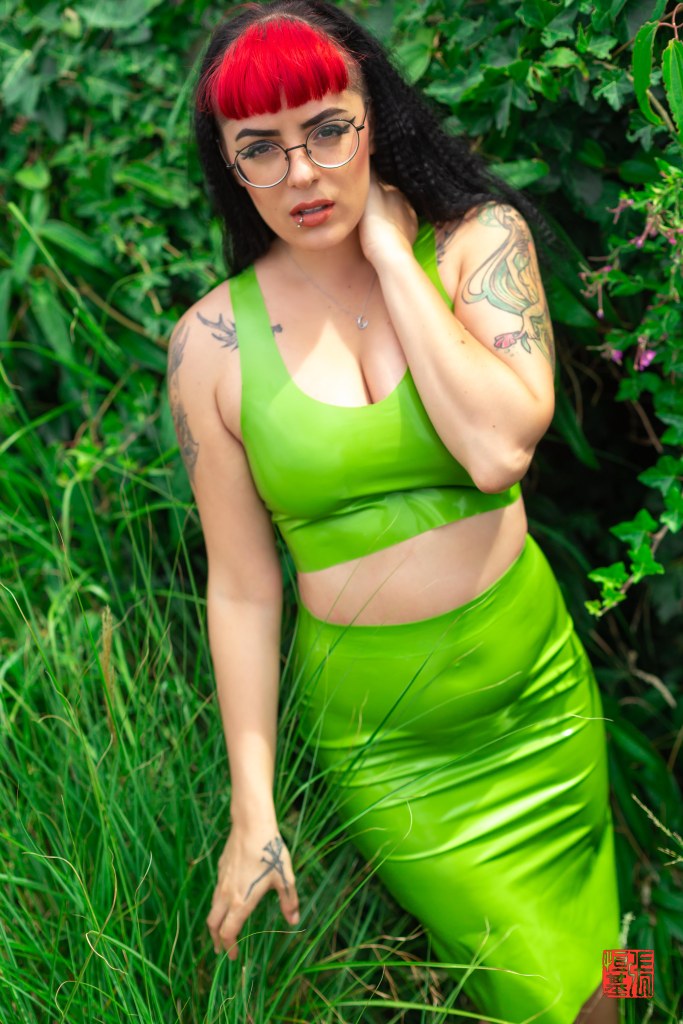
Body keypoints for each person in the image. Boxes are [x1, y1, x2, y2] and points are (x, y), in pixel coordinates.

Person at [169, 2, 622, 1020]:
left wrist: (387, 253)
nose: (301, 173)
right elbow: (241, 586)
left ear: (375, 116)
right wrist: (252, 806)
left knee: (602, 954)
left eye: (327, 129)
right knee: (528, 988)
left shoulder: (475, 246)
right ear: (230, 167)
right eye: (260, 148)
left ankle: (640, 993)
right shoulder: (210, 345)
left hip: (534, 700)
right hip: (392, 750)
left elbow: (496, 450)